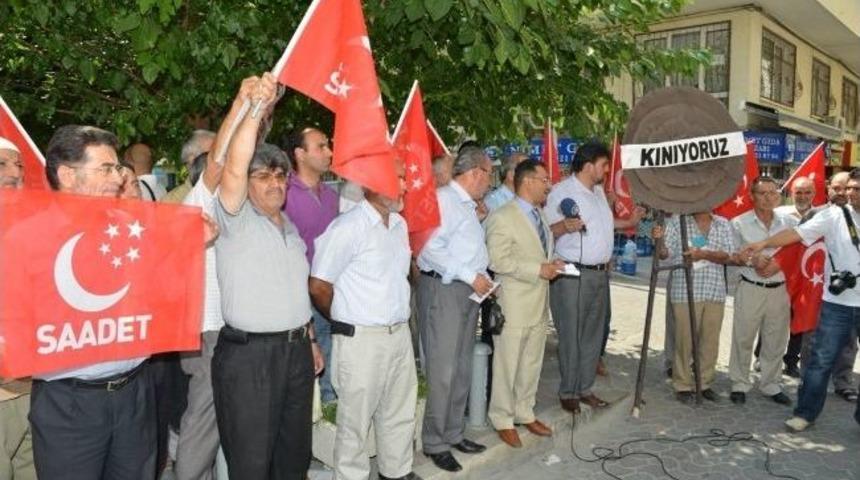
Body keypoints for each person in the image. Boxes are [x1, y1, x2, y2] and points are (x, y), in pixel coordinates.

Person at [211, 73, 322, 479]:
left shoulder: (289, 228)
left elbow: (295, 292)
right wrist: (255, 109)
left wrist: (308, 339)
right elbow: (234, 167)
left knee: (293, 458)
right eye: (264, 176)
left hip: (294, 352)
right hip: (249, 358)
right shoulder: (234, 217)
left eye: (280, 176)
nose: (274, 184)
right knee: (252, 463)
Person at [33, 125, 156, 479]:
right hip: (69, 404)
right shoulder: (27, 236)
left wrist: (188, 246)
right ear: (67, 174)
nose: (116, 178)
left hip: (135, 393)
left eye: (117, 168)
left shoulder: (130, 230)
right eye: (105, 169)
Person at [310, 162, 419, 480]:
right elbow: (318, 285)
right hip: (361, 340)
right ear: (374, 182)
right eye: (397, 178)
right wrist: (345, 317)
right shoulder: (348, 227)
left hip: (398, 334)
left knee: (398, 411)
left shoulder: (398, 225)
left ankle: (396, 472)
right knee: (355, 422)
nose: (404, 186)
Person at [741, 168, 860, 432]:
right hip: (836, 304)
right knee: (820, 362)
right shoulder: (833, 215)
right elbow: (796, 235)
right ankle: (805, 414)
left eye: (856, 189)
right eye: (849, 188)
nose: (850, 193)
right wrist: (763, 244)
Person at [174, 83, 249, 480]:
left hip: (225, 331)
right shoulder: (197, 203)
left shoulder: (225, 206)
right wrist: (240, 106)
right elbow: (220, 159)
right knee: (203, 420)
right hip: (206, 333)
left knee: (220, 417)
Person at [544, 141, 642, 415]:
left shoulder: (599, 192)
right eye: (603, 164)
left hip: (600, 275)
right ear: (588, 166)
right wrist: (564, 226)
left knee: (593, 334)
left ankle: (585, 388)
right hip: (573, 274)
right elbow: (545, 230)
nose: (607, 169)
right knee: (572, 335)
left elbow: (603, 226)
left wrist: (629, 221)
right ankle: (568, 392)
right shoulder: (561, 192)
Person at [416, 145, 494, 472]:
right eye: (488, 173)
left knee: (462, 367)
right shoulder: (445, 200)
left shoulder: (465, 204)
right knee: (443, 370)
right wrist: (469, 275)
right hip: (445, 290)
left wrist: (480, 277)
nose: (490, 181)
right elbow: (430, 248)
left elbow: (464, 247)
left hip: (468, 292)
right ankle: (434, 441)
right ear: (475, 172)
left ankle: (453, 432)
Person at [485, 160, 562, 448]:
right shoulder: (502, 216)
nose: (548, 185)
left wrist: (553, 264)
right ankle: (502, 418)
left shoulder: (539, 215)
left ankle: (524, 411)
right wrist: (536, 269)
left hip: (539, 301)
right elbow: (497, 260)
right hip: (514, 303)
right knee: (508, 363)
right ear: (528, 181)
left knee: (532, 361)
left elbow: (539, 252)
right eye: (544, 179)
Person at [653, 212, 735, 403]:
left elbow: (729, 255)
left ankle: (704, 383)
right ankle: (682, 384)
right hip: (685, 290)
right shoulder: (677, 222)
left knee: (710, 342)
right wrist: (659, 242)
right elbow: (666, 254)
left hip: (714, 291)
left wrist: (704, 254)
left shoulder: (723, 223)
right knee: (684, 340)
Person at [284, 127, 338, 404]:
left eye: (328, 145)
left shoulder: (331, 196)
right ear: (300, 154)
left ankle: (332, 405)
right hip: (300, 296)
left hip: (331, 291)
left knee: (334, 353)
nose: (329, 152)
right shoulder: (282, 194)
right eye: (321, 146)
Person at [728, 176, 793, 406]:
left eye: (773, 193)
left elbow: (796, 252)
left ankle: (771, 384)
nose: (768, 198)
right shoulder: (739, 223)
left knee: (776, 339)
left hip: (779, 290)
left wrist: (780, 263)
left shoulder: (789, 222)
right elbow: (733, 255)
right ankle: (739, 383)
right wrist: (751, 260)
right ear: (752, 196)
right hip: (751, 287)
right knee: (743, 337)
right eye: (762, 193)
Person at [0, 135, 36, 480]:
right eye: (2, 164)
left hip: (34, 391)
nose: (15, 172)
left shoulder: (33, 233)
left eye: (20, 165)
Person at [162, 130, 216, 204]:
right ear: (192, 160)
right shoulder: (172, 203)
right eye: (212, 155)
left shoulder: (227, 192)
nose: (220, 161)